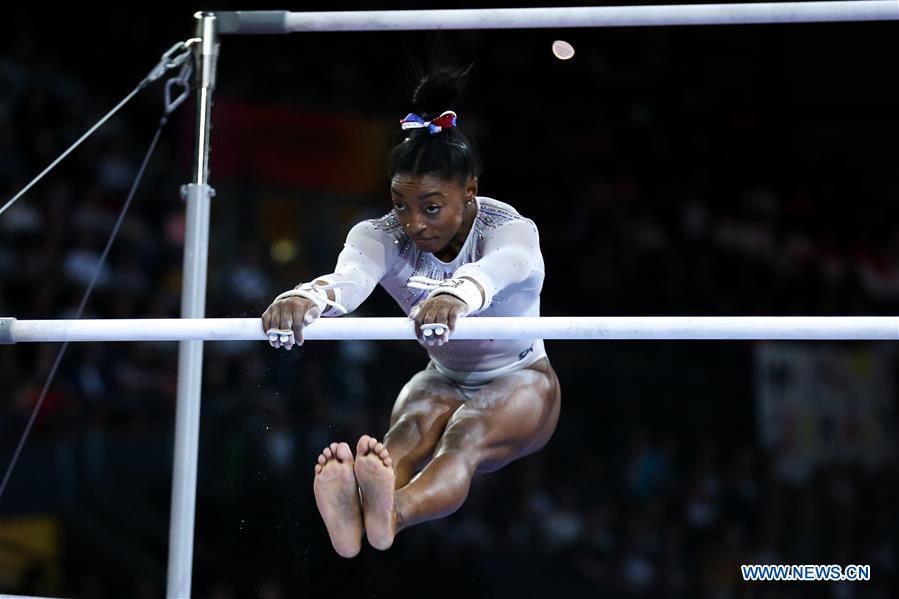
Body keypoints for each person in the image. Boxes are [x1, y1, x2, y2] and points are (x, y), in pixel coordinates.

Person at [261, 69, 561, 558]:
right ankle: (359, 518)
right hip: (442, 375)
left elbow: (506, 267)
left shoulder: (510, 228)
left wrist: (458, 295)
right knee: (398, 439)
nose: (414, 223)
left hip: (523, 378)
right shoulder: (382, 234)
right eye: (401, 205)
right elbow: (348, 280)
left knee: (464, 435)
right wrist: (303, 300)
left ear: (469, 192)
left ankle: (391, 516)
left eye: (432, 207)